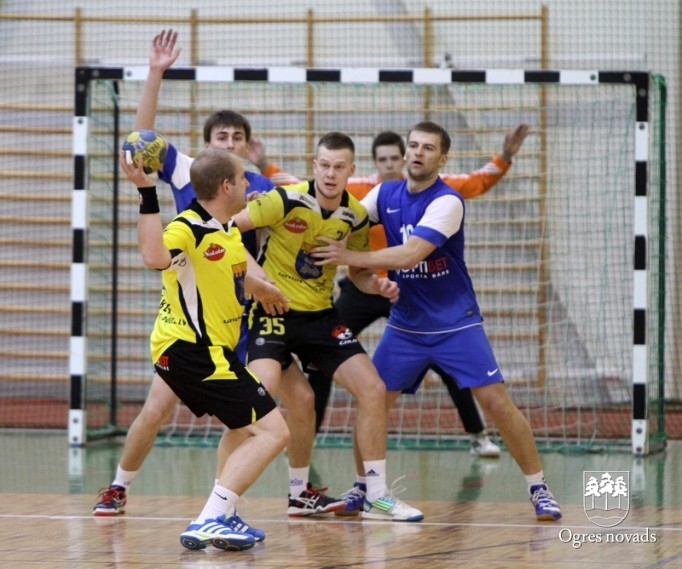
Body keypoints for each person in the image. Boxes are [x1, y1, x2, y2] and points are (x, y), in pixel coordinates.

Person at [92, 29, 317, 518]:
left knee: (281, 406)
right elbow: (141, 142)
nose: (230, 143)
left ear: (248, 148)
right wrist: (155, 73)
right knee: (160, 409)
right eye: (222, 137)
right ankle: (121, 487)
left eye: (238, 138)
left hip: (236, 310)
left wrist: (261, 283)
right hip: (192, 310)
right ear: (208, 149)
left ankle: (272, 496)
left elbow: (241, 245)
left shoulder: (256, 186)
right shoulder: (188, 176)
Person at [312, 121, 562, 522]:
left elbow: (410, 254)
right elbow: (344, 220)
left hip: (454, 323)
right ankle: (365, 487)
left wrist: (348, 257)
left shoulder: (447, 201)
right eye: (413, 145)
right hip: (406, 325)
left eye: (427, 148)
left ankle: (539, 488)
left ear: (442, 159)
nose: (417, 153)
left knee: (496, 403)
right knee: (372, 399)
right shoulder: (383, 194)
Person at [229, 131, 424, 521]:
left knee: (372, 389)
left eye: (339, 167)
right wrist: (257, 282)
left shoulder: (355, 214)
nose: (331, 174)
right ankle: (221, 503)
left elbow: (358, 273)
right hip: (272, 314)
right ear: (314, 165)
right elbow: (228, 229)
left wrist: (377, 284)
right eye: (325, 165)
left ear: (351, 170)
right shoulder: (285, 199)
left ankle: (372, 494)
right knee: (260, 399)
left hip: (321, 317)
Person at [119, 146, 290, 550]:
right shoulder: (189, 226)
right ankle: (211, 518)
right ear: (227, 185)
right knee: (274, 431)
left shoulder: (225, 228)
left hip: (204, 352)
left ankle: (222, 515)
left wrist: (260, 288)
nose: (248, 184)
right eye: (243, 178)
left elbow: (226, 273)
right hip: (194, 351)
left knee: (243, 428)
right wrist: (146, 193)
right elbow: (154, 256)